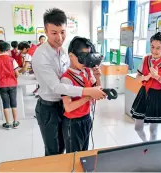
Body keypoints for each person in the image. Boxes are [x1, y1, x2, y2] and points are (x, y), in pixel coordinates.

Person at [32, 8, 106, 156]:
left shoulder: (65, 52)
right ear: (45, 31)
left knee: (68, 146)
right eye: (54, 33)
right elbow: (58, 87)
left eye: (63, 32)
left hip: (65, 107)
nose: (59, 37)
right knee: (54, 151)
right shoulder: (41, 56)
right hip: (49, 108)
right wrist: (88, 93)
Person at [130, 31, 161, 142]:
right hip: (144, 93)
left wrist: (157, 77)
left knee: (153, 130)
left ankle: (150, 148)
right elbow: (137, 78)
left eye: (158, 48)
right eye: (152, 47)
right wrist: (146, 77)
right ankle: (146, 144)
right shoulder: (145, 59)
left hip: (159, 95)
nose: (154, 51)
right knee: (138, 127)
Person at [61, 37, 101, 153]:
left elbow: (97, 91)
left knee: (84, 151)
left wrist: (98, 77)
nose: (86, 62)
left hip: (86, 118)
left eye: (88, 58)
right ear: (71, 56)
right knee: (73, 155)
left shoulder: (87, 72)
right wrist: (88, 96)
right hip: (72, 123)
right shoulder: (66, 79)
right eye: (82, 58)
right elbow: (68, 107)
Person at [0, 42, 20, 130]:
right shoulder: (12, 60)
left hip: (2, 84)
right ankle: (15, 122)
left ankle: (8, 124)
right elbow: (17, 73)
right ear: (8, 50)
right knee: (14, 103)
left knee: (5, 104)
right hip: (12, 84)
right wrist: (13, 77)